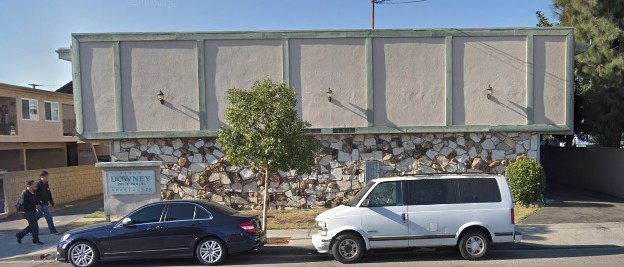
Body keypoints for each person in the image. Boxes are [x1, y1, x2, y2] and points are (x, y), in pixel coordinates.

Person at [15, 180, 44, 245]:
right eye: (33, 184)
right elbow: (24, 204)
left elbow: (36, 199)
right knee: (34, 226)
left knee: (32, 225)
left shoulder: (33, 192)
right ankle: (35, 241)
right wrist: (34, 206)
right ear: (29, 185)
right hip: (26, 211)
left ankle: (19, 235)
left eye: (34, 184)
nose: (35, 185)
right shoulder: (25, 193)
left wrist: (38, 203)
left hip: (32, 211)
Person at [36, 170, 58, 235]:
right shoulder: (38, 184)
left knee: (35, 219)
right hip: (41, 204)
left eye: (47, 176)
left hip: (45, 203)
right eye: (46, 176)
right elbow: (35, 195)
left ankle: (26, 231)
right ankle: (53, 231)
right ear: (41, 177)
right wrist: (37, 204)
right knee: (49, 216)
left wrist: (52, 203)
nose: (47, 178)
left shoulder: (46, 183)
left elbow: (49, 193)